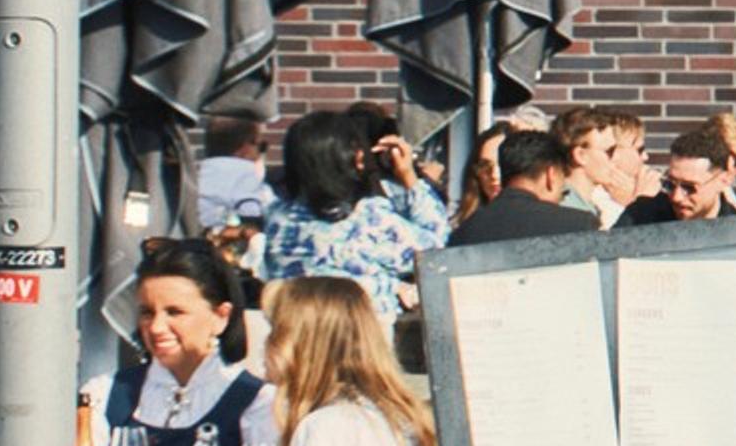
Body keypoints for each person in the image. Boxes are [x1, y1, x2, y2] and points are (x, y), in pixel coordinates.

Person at [106, 236, 279, 446]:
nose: (157, 327)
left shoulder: (256, 404)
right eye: (147, 312)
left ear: (220, 317)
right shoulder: (108, 393)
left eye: (175, 312)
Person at [259, 277, 449, 446]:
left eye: (273, 332)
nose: (264, 344)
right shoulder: (386, 412)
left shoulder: (333, 428)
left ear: (303, 344)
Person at [256, 109, 449, 324]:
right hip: (360, 339)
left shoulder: (277, 220)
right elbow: (434, 252)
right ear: (355, 158)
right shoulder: (368, 220)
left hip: (295, 337)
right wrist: (409, 176)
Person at [451, 126, 602, 247]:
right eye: (563, 191)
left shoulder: (463, 233)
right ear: (551, 176)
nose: (560, 198)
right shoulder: (578, 225)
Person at [640, 125, 736, 225]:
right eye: (669, 185)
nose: (676, 197)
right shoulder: (640, 220)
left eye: (689, 187)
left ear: (724, 180)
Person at [196, 110, 272, 231]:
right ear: (245, 147)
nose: (261, 154)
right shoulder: (246, 177)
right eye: (262, 146)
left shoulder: (196, 178)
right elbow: (254, 216)